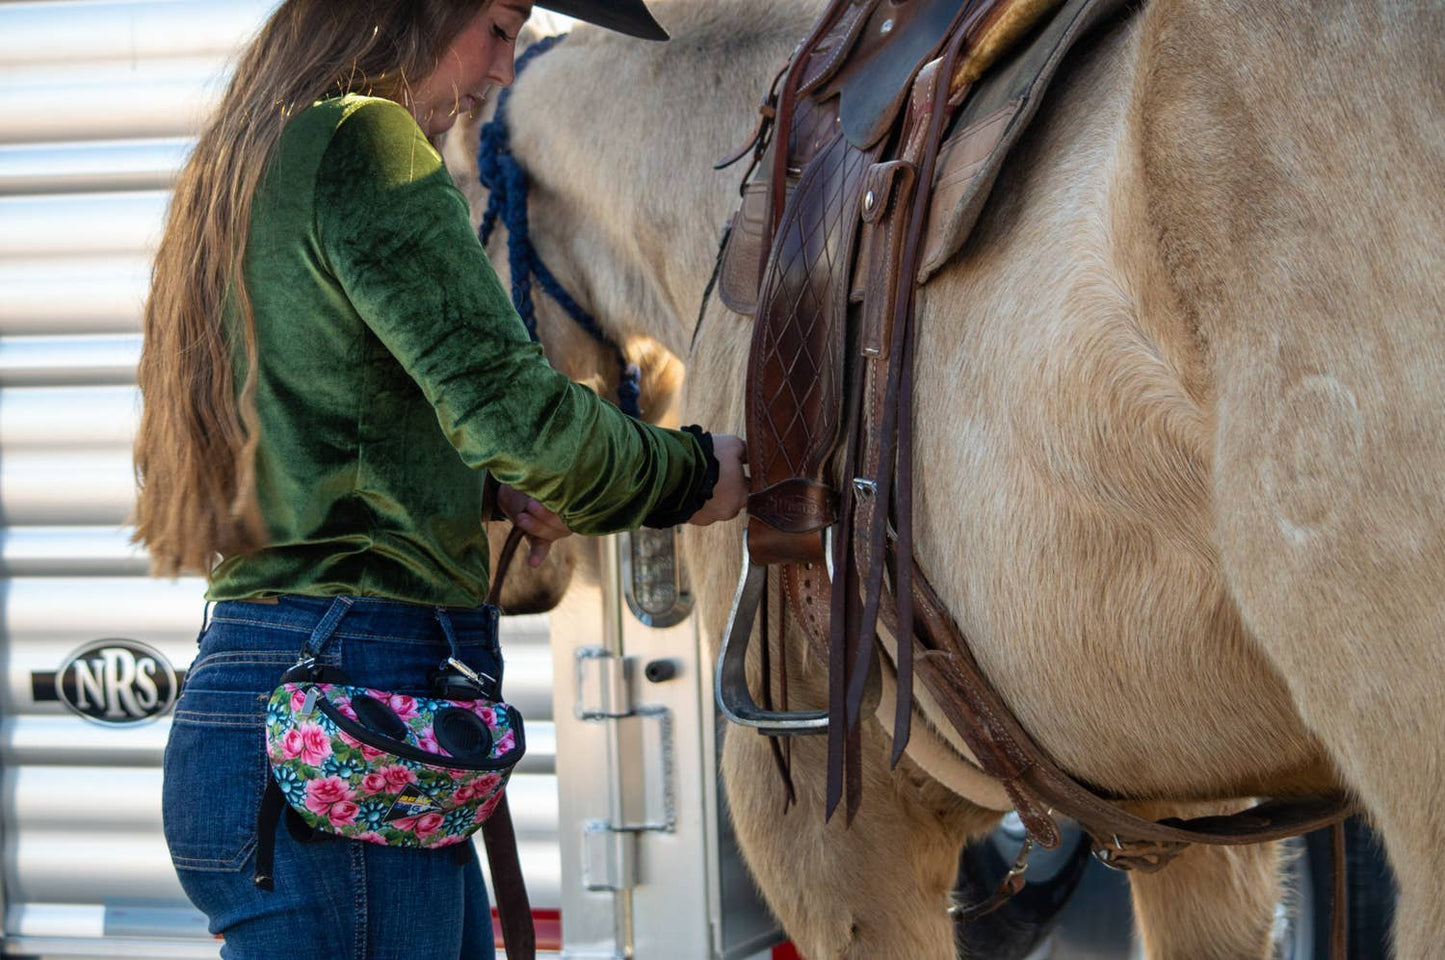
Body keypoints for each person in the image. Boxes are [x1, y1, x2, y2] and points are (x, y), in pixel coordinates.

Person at [134, 2, 746, 957]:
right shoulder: (365, 140)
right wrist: (697, 470)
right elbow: (523, 418)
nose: (503, 71)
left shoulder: (254, 162)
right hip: (352, 712)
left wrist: (479, 494)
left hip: (287, 718)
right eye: (497, 28)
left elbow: (331, 431)